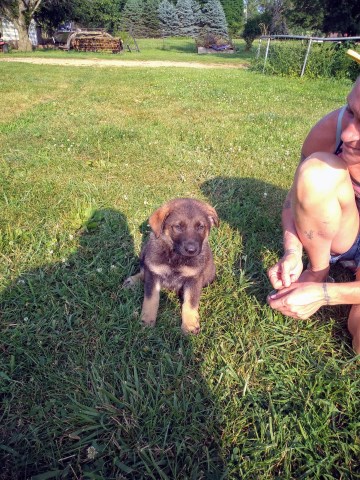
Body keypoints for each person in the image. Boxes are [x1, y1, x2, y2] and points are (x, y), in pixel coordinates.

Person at [267, 75, 360, 354]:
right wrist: (293, 251)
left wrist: (325, 296)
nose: (347, 134)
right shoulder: (331, 129)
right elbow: (293, 200)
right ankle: (319, 270)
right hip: (347, 229)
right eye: (352, 112)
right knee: (316, 171)